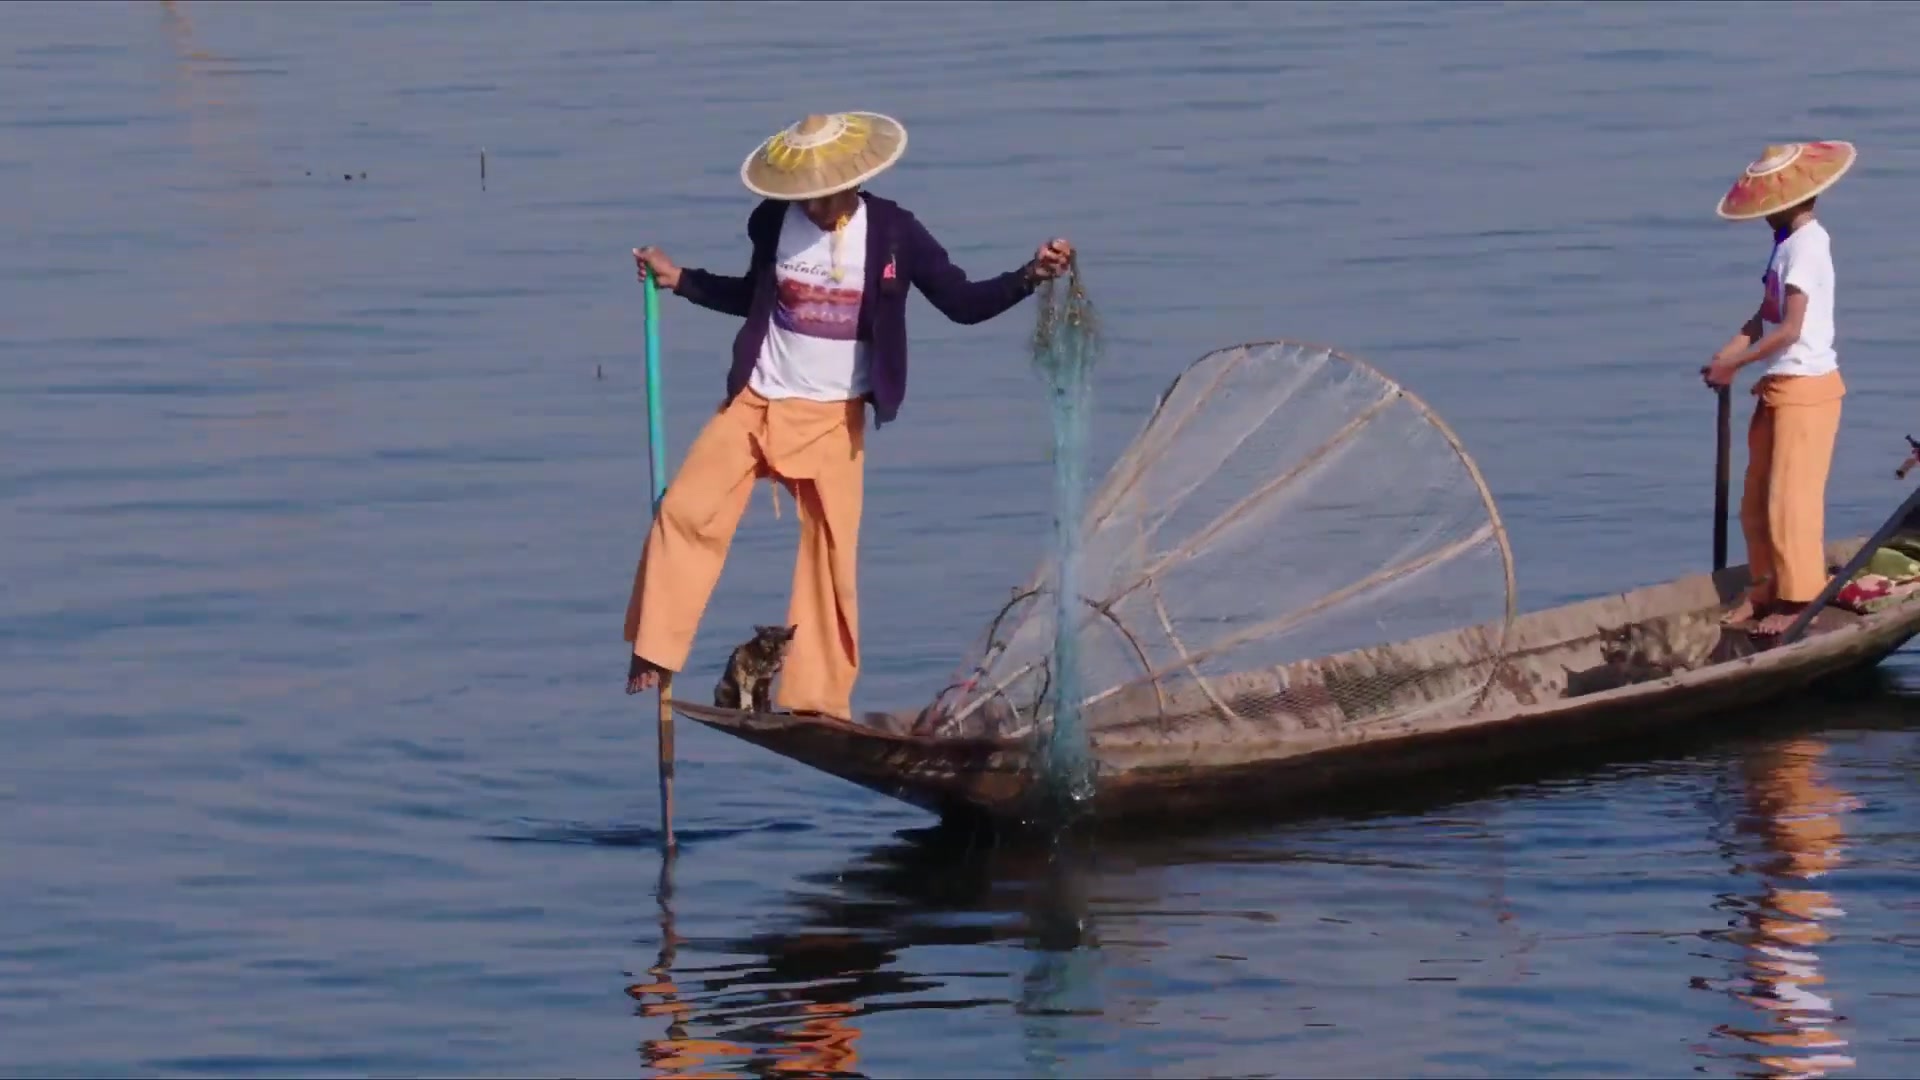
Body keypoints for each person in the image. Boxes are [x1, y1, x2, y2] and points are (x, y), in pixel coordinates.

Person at [622, 111, 1075, 721]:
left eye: (822, 195)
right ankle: (656, 650)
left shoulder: (894, 234)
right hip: (757, 402)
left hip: (835, 419)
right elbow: (756, 298)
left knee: (830, 562)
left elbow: (964, 304)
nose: (812, 207)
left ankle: (815, 700)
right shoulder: (772, 223)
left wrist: (1031, 275)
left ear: (851, 182)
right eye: (802, 196)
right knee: (685, 511)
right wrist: (683, 281)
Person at [1703, 140, 1856, 639]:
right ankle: (1765, 589)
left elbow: (1790, 330)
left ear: (1790, 202)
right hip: (1778, 386)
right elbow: (1764, 315)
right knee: (1755, 501)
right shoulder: (1784, 246)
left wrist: (1738, 367)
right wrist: (1728, 354)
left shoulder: (1809, 246)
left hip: (1807, 388)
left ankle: (1800, 598)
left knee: (1790, 502)